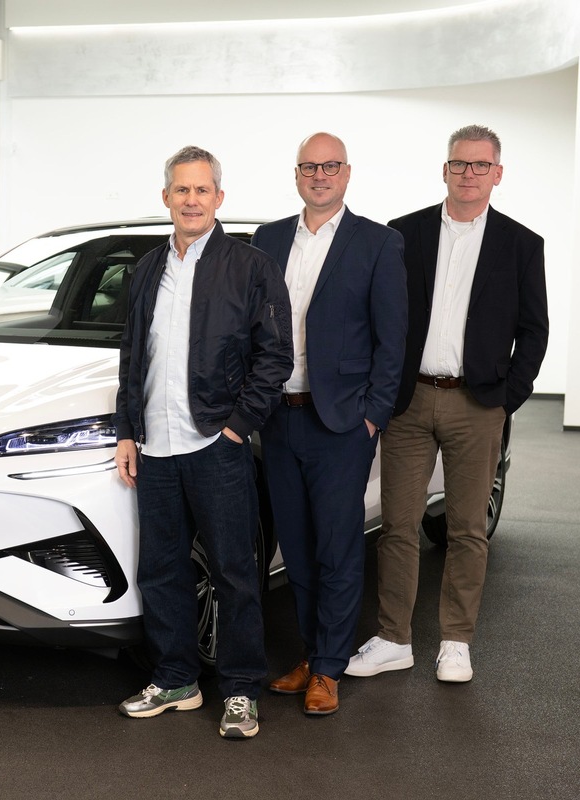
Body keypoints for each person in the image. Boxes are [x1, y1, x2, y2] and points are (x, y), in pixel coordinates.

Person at [347, 124, 548, 683]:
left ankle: (456, 642)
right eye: (459, 163)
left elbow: (534, 331)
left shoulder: (521, 244)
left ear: (497, 174)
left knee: (466, 530)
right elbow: (377, 316)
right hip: (410, 401)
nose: (469, 174)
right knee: (398, 526)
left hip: (477, 404)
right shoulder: (403, 233)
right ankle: (394, 639)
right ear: (445, 169)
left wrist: (505, 400)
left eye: (481, 165)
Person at [113, 145, 292, 739]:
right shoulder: (147, 269)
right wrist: (127, 431)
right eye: (182, 190)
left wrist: (238, 425)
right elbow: (132, 356)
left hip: (215, 442)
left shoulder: (251, 266)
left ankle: (240, 689)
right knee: (161, 570)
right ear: (166, 197)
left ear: (219, 197)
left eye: (202, 190)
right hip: (155, 446)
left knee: (234, 570)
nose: (192, 200)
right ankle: (175, 680)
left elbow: (276, 357)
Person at [251, 133, 407, 715]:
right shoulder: (267, 239)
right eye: (309, 166)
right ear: (297, 175)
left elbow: (393, 340)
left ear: (347, 173)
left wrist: (373, 416)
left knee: (337, 549)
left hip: (341, 424)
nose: (320, 175)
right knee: (295, 548)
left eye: (330, 166)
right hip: (279, 417)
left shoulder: (377, 242)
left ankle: (329, 668)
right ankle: (311, 653)